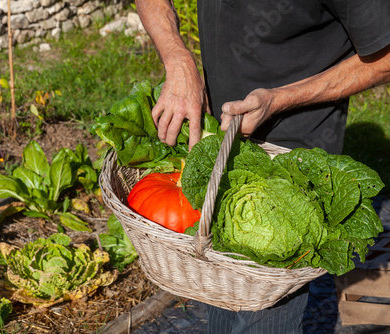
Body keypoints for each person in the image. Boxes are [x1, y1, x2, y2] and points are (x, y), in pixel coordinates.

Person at [135, 0, 390, 333]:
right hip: (219, 139)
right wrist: (178, 60)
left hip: (292, 154)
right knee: (222, 308)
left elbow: (384, 59)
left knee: (261, 319)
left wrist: (279, 99)